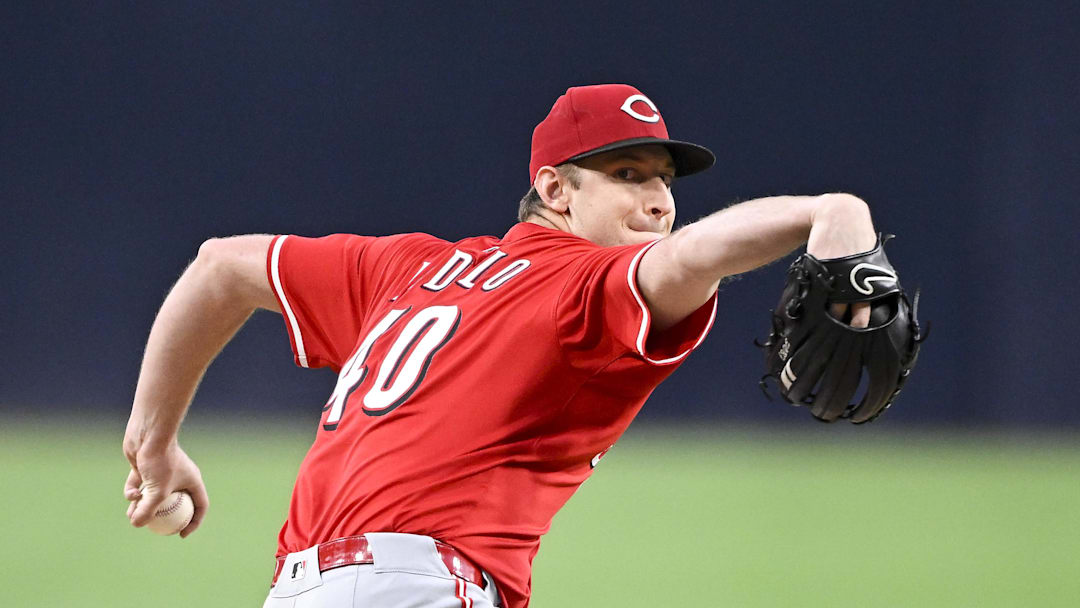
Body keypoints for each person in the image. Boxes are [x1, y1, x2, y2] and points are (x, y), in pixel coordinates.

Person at [122, 84, 877, 608]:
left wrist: (151, 444)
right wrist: (827, 209)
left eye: (664, 180)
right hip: (419, 586)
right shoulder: (585, 287)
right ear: (556, 191)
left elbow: (220, 267)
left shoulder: (408, 267)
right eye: (626, 174)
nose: (659, 198)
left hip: (303, 585)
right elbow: (691, 258)